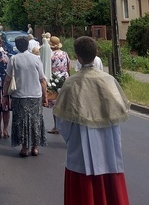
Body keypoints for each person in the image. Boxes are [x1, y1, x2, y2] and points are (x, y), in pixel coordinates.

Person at [54, 36, 131, 205]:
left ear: (77, 56)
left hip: (81, 148)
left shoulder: (71, 84)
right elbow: (118, 115)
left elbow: (63, 123)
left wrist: (71, 140)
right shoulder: (109, 80)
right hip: (108, 144)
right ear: (96, 53)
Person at [2, 35, 47, 157]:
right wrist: (45, 96)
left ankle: (25, 147)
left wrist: (4, 95)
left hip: (19, 95)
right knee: (35, 121)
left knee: (21, 121)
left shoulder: (14, 59)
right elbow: (42, 79)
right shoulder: (36, 59)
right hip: (35, 95)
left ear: (17, 46)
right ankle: (35, 147)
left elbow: (7, 79)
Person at [47, 36, 71, 134]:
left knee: (55, 104)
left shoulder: (50, 55)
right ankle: (65, 125)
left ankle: (56, 126)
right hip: (65, 78)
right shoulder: (65, 54)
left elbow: (48, 68)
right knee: (65, 103)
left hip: (55, 80)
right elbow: (68, 66)